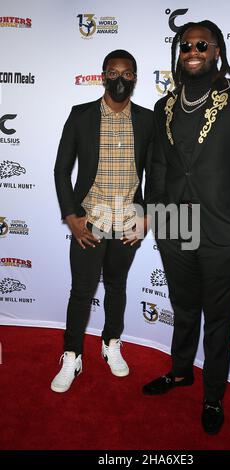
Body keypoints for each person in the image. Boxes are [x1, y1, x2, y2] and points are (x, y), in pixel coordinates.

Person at [142, 21, 230, 434]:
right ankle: (181, 371)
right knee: (183, 309)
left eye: (202, 44)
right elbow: (159, 165)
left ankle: (213, 395)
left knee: (218, 318)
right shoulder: (166, 105)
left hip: (224, 229)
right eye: (185, 45)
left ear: (217, 50)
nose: (193, 50)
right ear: (178, 52)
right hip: (175, 224)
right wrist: (156, 215)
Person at [51, 50, 153, 393]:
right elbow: (61, 170)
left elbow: (159, 173)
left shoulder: (147, 120)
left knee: (117, 287)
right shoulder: (81, 116)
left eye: (126, 74)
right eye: (113, 72)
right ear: (102, 76)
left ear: (135, 78)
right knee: (81, 292)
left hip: (127, 222)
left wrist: (146, 216)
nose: (119, 79)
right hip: (90, 221)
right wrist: (71, 217)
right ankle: (72, 355)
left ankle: (111, 343)